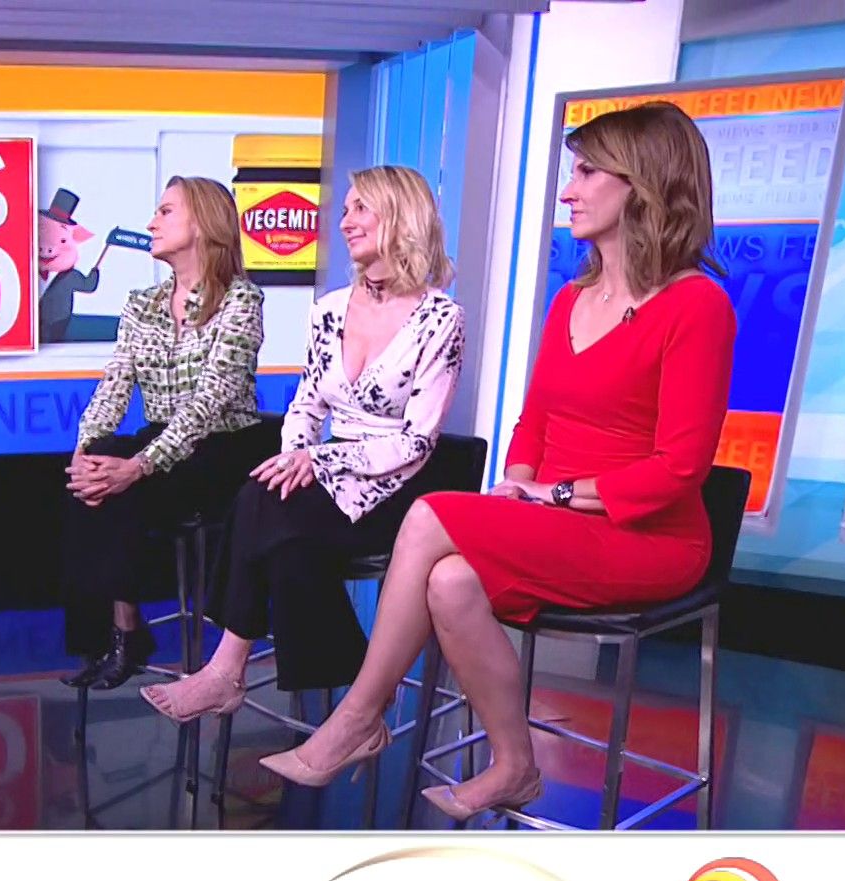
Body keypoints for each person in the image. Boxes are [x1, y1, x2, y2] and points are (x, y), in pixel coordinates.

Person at [258, 101, 736, 820]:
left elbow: (680, 468)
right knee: (449, 581)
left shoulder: (697, 307)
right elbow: (534, 422)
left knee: (430, 515)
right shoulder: (570, 299)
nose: (568, 191)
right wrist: (518, 482)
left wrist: (554, 495)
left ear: (642, 183)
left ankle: (358, 717)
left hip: (647, 537)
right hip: (558, 515)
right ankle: (515, 764)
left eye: (587, 173)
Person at [141, 166, 464, 722]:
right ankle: (357, 696)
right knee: (279, 522)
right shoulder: (330, 309)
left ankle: (228, 672)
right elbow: (306, 405)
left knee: (264, 507)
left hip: (401, 484)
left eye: (361, 208)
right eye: (346, 209)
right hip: (330, 471)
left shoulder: (441, 319)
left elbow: (416, 440)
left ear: (400, 215)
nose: (345, 222)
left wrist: (316, 459)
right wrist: (293, 455)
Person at [60, 176, 275, 691]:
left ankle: (131, 637)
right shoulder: (142, 304)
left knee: (126, 485)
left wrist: (138, 467)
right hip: (164, 436)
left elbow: (210, 401)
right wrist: (84, 450)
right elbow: (115, 383)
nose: (151, 223)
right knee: (93, 474)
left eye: (165, 212)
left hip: (227, 442)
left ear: (202, 223)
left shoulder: (240, 299)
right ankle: (118, 631)